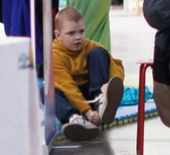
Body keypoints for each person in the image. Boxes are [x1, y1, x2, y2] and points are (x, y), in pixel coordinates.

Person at [53, 7, 126, 141]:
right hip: (71, 100)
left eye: (81, 31)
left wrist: (111, 83)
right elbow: (66, 85)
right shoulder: (55, 55)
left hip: (91, 96)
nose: (78, 37)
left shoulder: (91, 46)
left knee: (99, 53)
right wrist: (86, 111)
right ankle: (74, 119)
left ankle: (101, 101)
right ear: (58, 36)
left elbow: (116, 66)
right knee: (48, 91)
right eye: (71, 33)